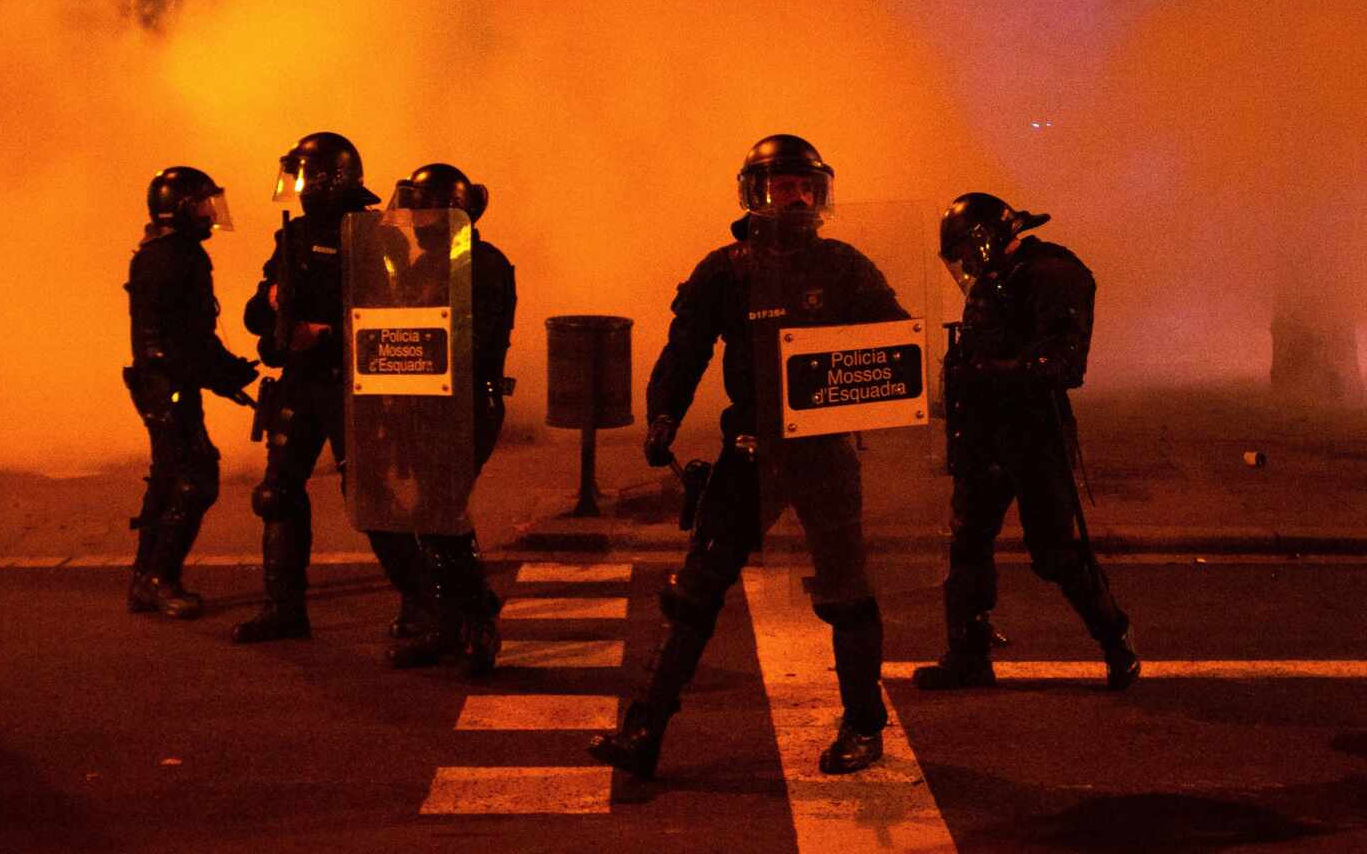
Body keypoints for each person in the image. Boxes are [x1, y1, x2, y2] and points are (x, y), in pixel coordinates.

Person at [588, 135, 910, 779]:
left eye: (805, 185)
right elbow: (686, 350)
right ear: (753, 192)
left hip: (823, 452)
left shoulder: (845, 265)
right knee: (695, 589)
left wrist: (902, 385)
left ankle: (864, 727)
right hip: (749, 451)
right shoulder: (726, 269)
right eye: (782, 184)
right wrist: (663, 415)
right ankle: (645, 731)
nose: (796, 195)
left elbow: (895, 342)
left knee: (847, 593)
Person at [912, 192, 1140, 691]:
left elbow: (1062, 365)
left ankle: (1114, 637)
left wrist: (985, 372)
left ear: (990, 238)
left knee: (1054, 551)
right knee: (968, 541)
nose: (966, 266)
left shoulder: (1052, 274)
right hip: (982, 432)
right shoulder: (997, 279)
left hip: (1033, 432)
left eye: (968, 253)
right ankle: (968, 655)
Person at [233, 131, 389, 644]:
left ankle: (425, 607)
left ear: (329, 180)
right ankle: (283, 609)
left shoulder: (373, 236)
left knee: (370, 498)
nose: (296, 187)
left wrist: (323, 333)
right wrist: (274, 303)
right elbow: (256, 314)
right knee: (276, 493)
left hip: (354, 384)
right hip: (301, 384)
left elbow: (401, 321)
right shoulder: (294, 236)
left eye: (303, 176)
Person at [372, 163, 517, 675]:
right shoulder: (423, 265)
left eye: (422, 209)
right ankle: (453, 622)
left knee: (440, 510)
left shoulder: (483, 263)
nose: (412, 218)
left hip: (464, 406)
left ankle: (477, 621)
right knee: (432, 516)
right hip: (421, 404)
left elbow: (469, 343)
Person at [124, 166, 258, 619]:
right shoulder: (177, 257)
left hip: (162, 383)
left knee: (168, 475)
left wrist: (224, 374)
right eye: (202, 203)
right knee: (195, 477)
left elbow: (187, 335)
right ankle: (160, 579)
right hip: (169, 384)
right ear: (180, 208)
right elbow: (187, 339)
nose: (209, 212)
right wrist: (225, 375)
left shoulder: (160, 252)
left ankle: (146, 578)